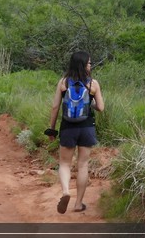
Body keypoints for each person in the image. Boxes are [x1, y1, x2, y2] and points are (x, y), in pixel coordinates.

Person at [46, 51, 105, 214]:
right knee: (83, 165)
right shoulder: (93, 84)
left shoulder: (63, 82)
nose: (90, 65)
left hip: (68, 128)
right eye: (89, 63)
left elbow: (55, 107)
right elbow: (100, 107)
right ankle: (78, 204)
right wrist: (91, 103)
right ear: (84, 65)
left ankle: (66, 191)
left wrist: (51, 129)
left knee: (65, 163)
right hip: (87, 128)